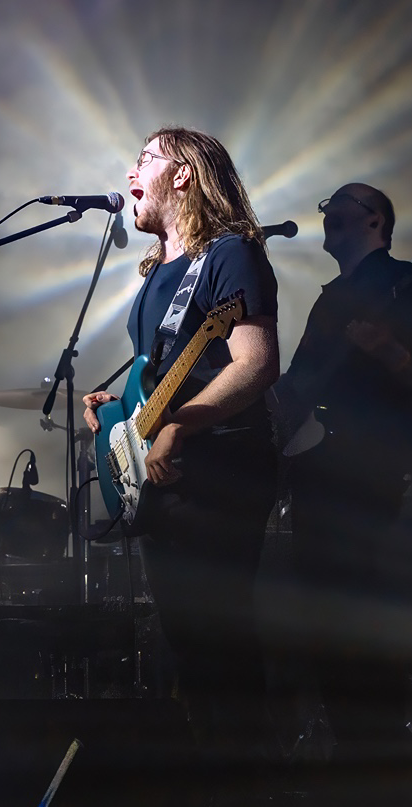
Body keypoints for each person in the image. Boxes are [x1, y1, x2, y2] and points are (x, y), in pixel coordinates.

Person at [84, 128, 282, 755]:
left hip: (221, 466)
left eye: (145, 158)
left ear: (184, 175)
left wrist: (180, 425)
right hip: (163, 473)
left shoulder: (231, 255)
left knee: (219, 636)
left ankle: (246, 780)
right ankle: (207, 777)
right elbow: (162, 375)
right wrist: (121, 411)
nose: (130, 172)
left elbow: (256, 363)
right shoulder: (156, 275)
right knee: (186, 641)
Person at [274, 183, 412, 761]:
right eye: (327, 207)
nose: (328, 212)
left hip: (368, 469)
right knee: (323, 613)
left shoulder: (406, 283)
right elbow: (297, 383)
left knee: (357, 608)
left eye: (343, 205)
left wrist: (387, 349)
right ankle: (355, 748)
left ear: (376, 221)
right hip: (316, 464)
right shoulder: (332, 297)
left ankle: (380, 748)